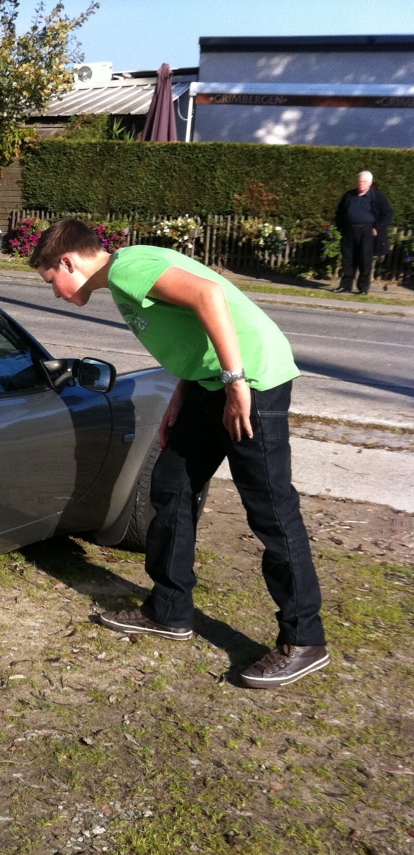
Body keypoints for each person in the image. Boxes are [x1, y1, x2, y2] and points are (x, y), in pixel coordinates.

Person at [30, 219, 328, 689]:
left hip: (253, 382)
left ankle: (304, 639)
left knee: (271, 509)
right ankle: (169, 610)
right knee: (171, 484)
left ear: (68, 261)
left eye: (53, 282)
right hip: (210, 384)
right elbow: (194, 329)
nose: (57, 294)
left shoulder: (130, 268)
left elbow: (208, 296)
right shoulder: (128, 275)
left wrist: (236, 382)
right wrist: (180, 396)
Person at [334, 170, 393, 295]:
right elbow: (340, 212)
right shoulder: (349, 195)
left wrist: (377, 228)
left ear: (370, 183)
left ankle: (363, 288)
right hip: (350, 230)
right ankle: (345, 286)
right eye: (359, 181)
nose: (361, 184)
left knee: (364, 260)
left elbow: (388, 213)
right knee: (348, 259)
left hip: (367, 232)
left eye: (364, 182)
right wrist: (341, 227)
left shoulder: (378, 197)